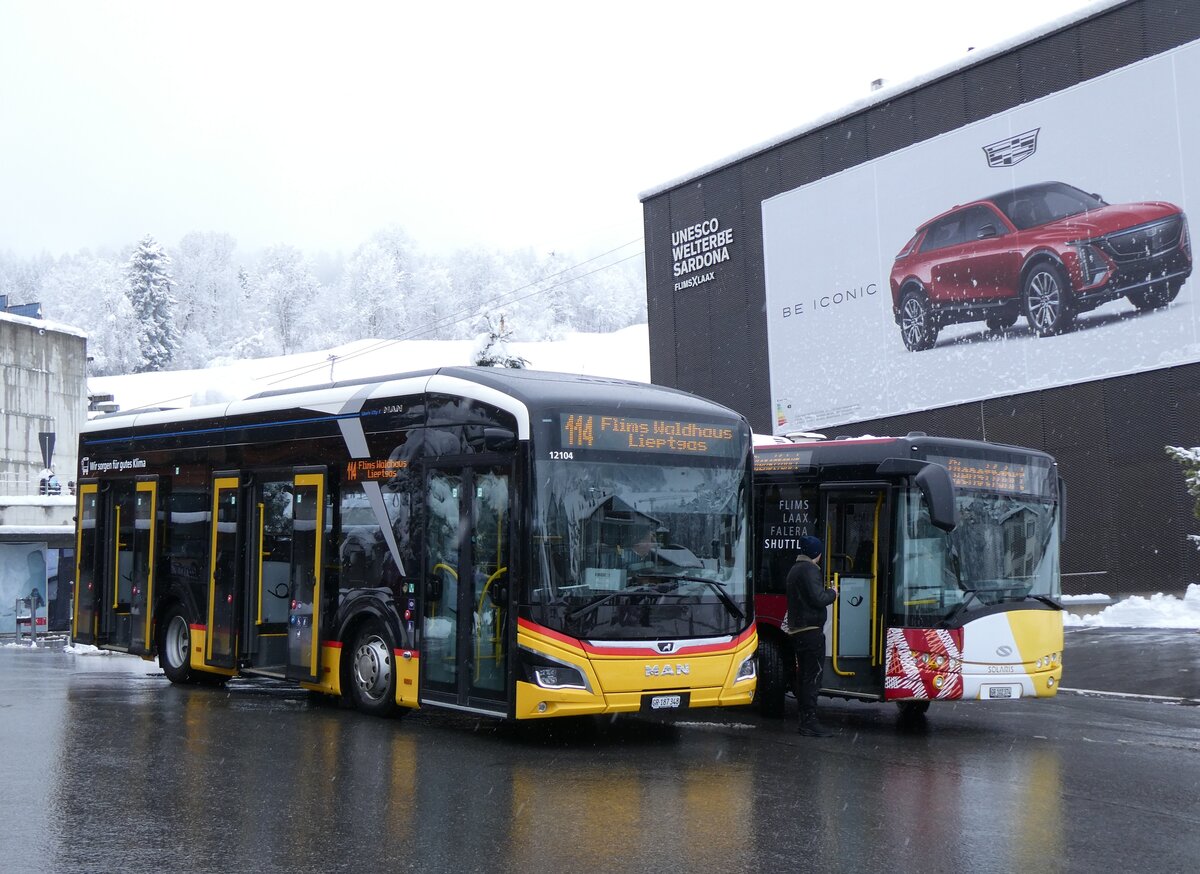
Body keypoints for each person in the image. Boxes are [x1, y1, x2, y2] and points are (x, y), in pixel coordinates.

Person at [785, 535, 838, 737]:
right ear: (817, 553)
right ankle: (809, 721)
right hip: (810, 632)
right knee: (812, 677)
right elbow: (819, 598)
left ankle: (805, 719)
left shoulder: (794, 569)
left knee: (805, 677)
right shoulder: (810, 570)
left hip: (798, 631)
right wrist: (833, 593)